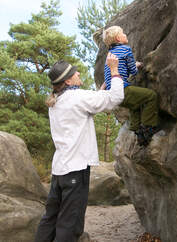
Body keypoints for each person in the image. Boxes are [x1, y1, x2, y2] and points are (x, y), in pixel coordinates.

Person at [35, 53, 124, 242]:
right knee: (70, 224)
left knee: (50, 218)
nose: (78, 74)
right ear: (68, 81)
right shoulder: (77, 97)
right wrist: (115, 70)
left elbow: (88, 105)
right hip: (76, 170)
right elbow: (116, 98)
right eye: (75, 73)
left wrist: (99, 93)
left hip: (60, 171)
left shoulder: (56, 101)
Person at [102, 25, 159, 147]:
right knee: (151, 96)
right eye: (123, 33)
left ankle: (135, 129)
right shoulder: (125, 49)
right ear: (118, 38)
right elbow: (133, 71)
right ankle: (147, 129)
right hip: (121, 89)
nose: (125, 35)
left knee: (135, 103)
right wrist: (136, 64)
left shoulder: (110, 53)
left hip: (112, 93)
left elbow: (121, 69)